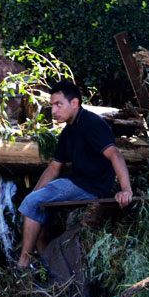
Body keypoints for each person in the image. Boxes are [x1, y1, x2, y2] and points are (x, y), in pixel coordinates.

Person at [16, 80, 132, 269]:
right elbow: (54, 168)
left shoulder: (92, 123)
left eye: (58, 104)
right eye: (52, 105)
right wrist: (33, 195)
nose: (53, 110)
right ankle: (51, 269)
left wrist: (126, 189)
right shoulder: (68, 132)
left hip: (90, 187)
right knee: (35, 208)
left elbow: (115, 155)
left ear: (75, 103)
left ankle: (23, 263)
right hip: (76, 183)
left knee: (32, 204)